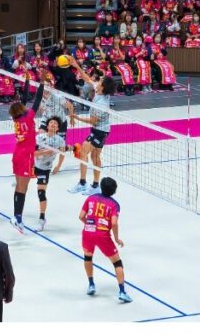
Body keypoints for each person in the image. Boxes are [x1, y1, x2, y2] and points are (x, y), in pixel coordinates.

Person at [79, 175, 132, 302]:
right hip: (103, 235)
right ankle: (122, 292)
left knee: (88, 257)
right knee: (117, 262)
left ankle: (91, 285)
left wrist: (90, 224)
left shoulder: (91, 198)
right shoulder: (114, 204)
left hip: (88, 233)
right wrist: (117, 239)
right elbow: (114, 223)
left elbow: (81, 216)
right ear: (114, 191)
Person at [68, 63, 114, 195]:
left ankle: (83, 183)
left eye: (101, 80)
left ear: (102, 86)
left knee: (83, 152)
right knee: (95, 156)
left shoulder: (102, 104)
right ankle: (95, 186)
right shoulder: (99, 90)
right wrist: (76, 65)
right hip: (101, 129)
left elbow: (93, 120)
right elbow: (87, 78)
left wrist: (76, 117)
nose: (98, 80)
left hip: (100, 131)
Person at [8, 81, 45, 233]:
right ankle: (17, 218)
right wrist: (41, 83)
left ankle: (17, 218)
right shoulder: (28, 117)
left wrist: (28, 82)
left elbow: (24, 100)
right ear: (22, 110)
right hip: (25, 156)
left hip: (17, 154)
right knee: (23, 188)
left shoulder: (16, 119)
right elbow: (37, 100)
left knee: (19, 186)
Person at [34, 116, 67, 230]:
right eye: (51, 123)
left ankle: (42, 218)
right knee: (20, 185)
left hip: (45, 168)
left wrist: (58, 166)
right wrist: (45, 152)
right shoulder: (39, 137)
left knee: (41, 193)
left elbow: (63, 153)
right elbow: (32, 153)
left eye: (55, 124)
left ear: (57, 128)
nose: (53, 124)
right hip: (33, 165)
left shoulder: (60, 140)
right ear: (47, 126)